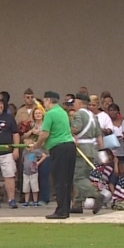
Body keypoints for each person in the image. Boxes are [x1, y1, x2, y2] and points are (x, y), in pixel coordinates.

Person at [34, 91, 75, 219]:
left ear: (48, 100)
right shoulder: (62, 112)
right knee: (67, 180)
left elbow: (44, 134)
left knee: (59, 180)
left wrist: (37, 145)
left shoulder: (50, 114)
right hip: (70, 146)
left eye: (44, 102)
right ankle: (65, 209)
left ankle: (61, 210)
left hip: (59, 148)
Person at [69, 93, 102, 214]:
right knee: (84, 176)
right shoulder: (93, 116)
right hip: (92, 150)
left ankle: (96, 195)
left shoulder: (79, 114)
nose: (73, 104)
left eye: (75, 102)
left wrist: (65, 129)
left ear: (80, 102)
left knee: (78, 178)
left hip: (81, 149)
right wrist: (101, 151)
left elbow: (76, 129)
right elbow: (99, 135)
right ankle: (78, 203)